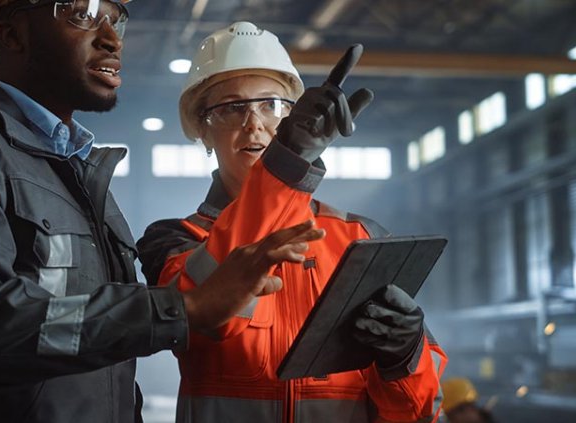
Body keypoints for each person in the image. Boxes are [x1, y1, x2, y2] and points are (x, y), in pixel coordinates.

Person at [0, 3, 325, 423]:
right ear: (13, 34)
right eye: (83, 14)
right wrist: (181, 308)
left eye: (117, 19)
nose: (113, 39)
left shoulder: (75, 175)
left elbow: (88, 340)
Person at [137, 21, 448, 423]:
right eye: (232, 108)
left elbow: (417, 414)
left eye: (271, 105)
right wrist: (288, 162)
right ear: (202, 130)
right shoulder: (175, 240)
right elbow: (204, 317)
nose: (255, 123)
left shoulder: (361, 237)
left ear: (293, 115)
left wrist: (405, 357)